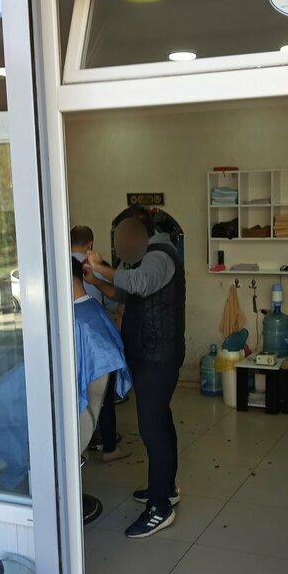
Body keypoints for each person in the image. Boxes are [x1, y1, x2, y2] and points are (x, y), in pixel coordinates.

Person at [84, 210, 186, 538]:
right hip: (149, 354)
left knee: (152, 428)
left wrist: (101, 267)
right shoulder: (145, 259)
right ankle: (166, 489)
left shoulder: (160, 255)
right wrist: (97, 281)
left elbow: (139, 283)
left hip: (158, 356)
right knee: (161, 423)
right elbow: (126, 294)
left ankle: (160, 508)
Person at [70, 224, 129, 462]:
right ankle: (108, 446)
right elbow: (116, 301)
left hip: (85, 345)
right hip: (98, 342)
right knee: (102, 397)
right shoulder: (98, 269)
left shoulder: (61, 262)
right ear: (90, 244)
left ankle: (81, 443)